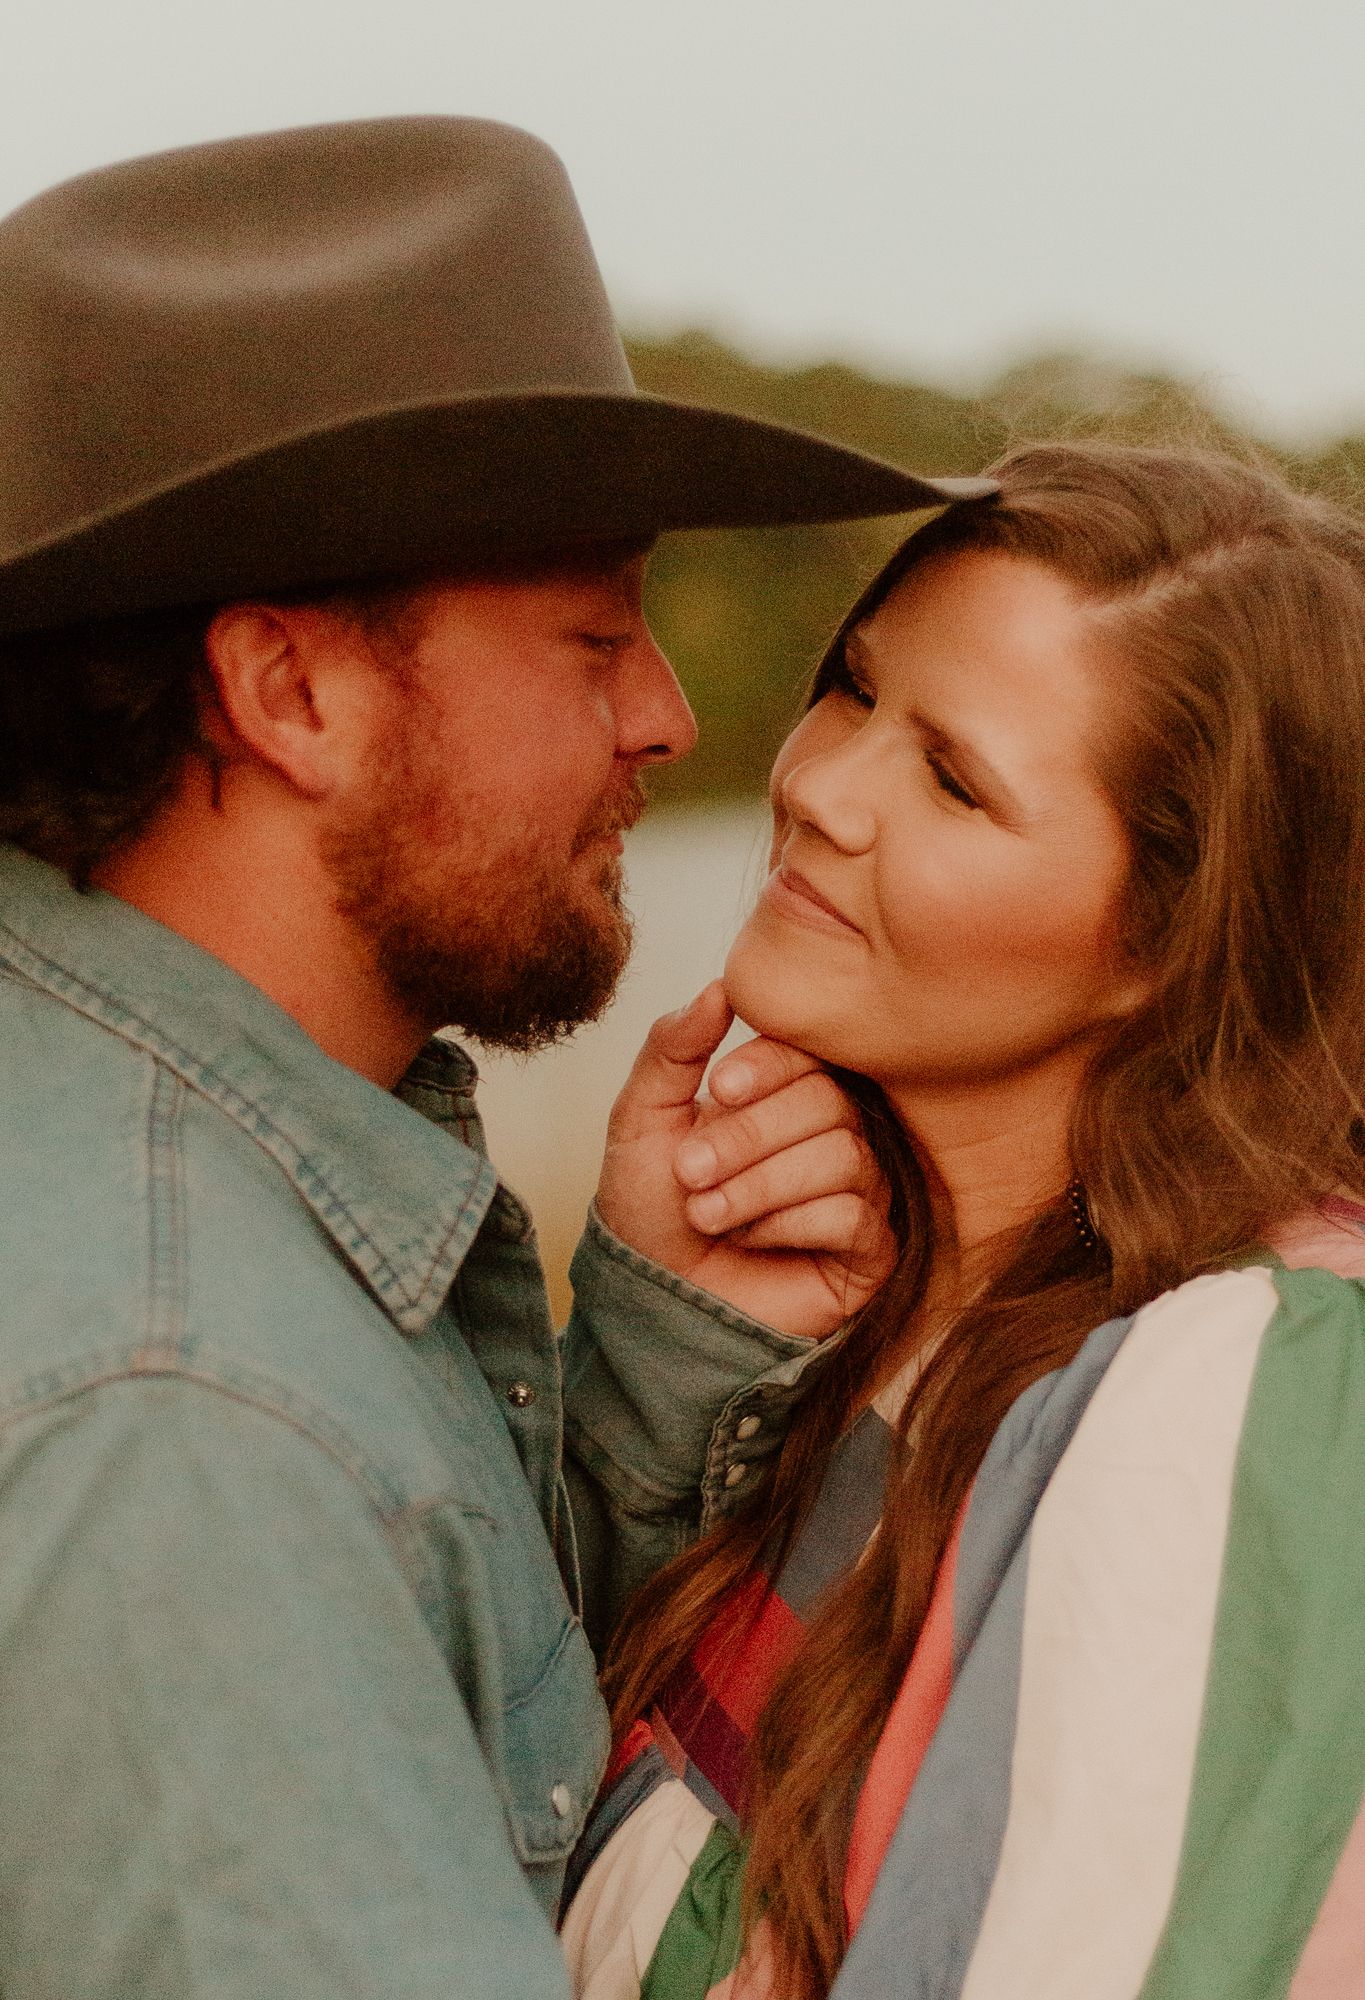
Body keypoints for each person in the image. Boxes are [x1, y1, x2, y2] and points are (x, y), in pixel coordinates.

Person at [0, 116, 994, 1998]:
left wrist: (657, 1357)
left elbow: (437, 1747)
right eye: (593, 636)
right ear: (290, 691)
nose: (667, 716)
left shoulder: (178, 1157)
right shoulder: (189, 1422)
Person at [563, 441, 1365, 2000]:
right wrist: (661, 1348)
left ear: (1163, 937)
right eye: (854, 690)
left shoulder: (1245, 1385)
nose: (814, 786)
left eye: (951, 781)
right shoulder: (861, 1316)